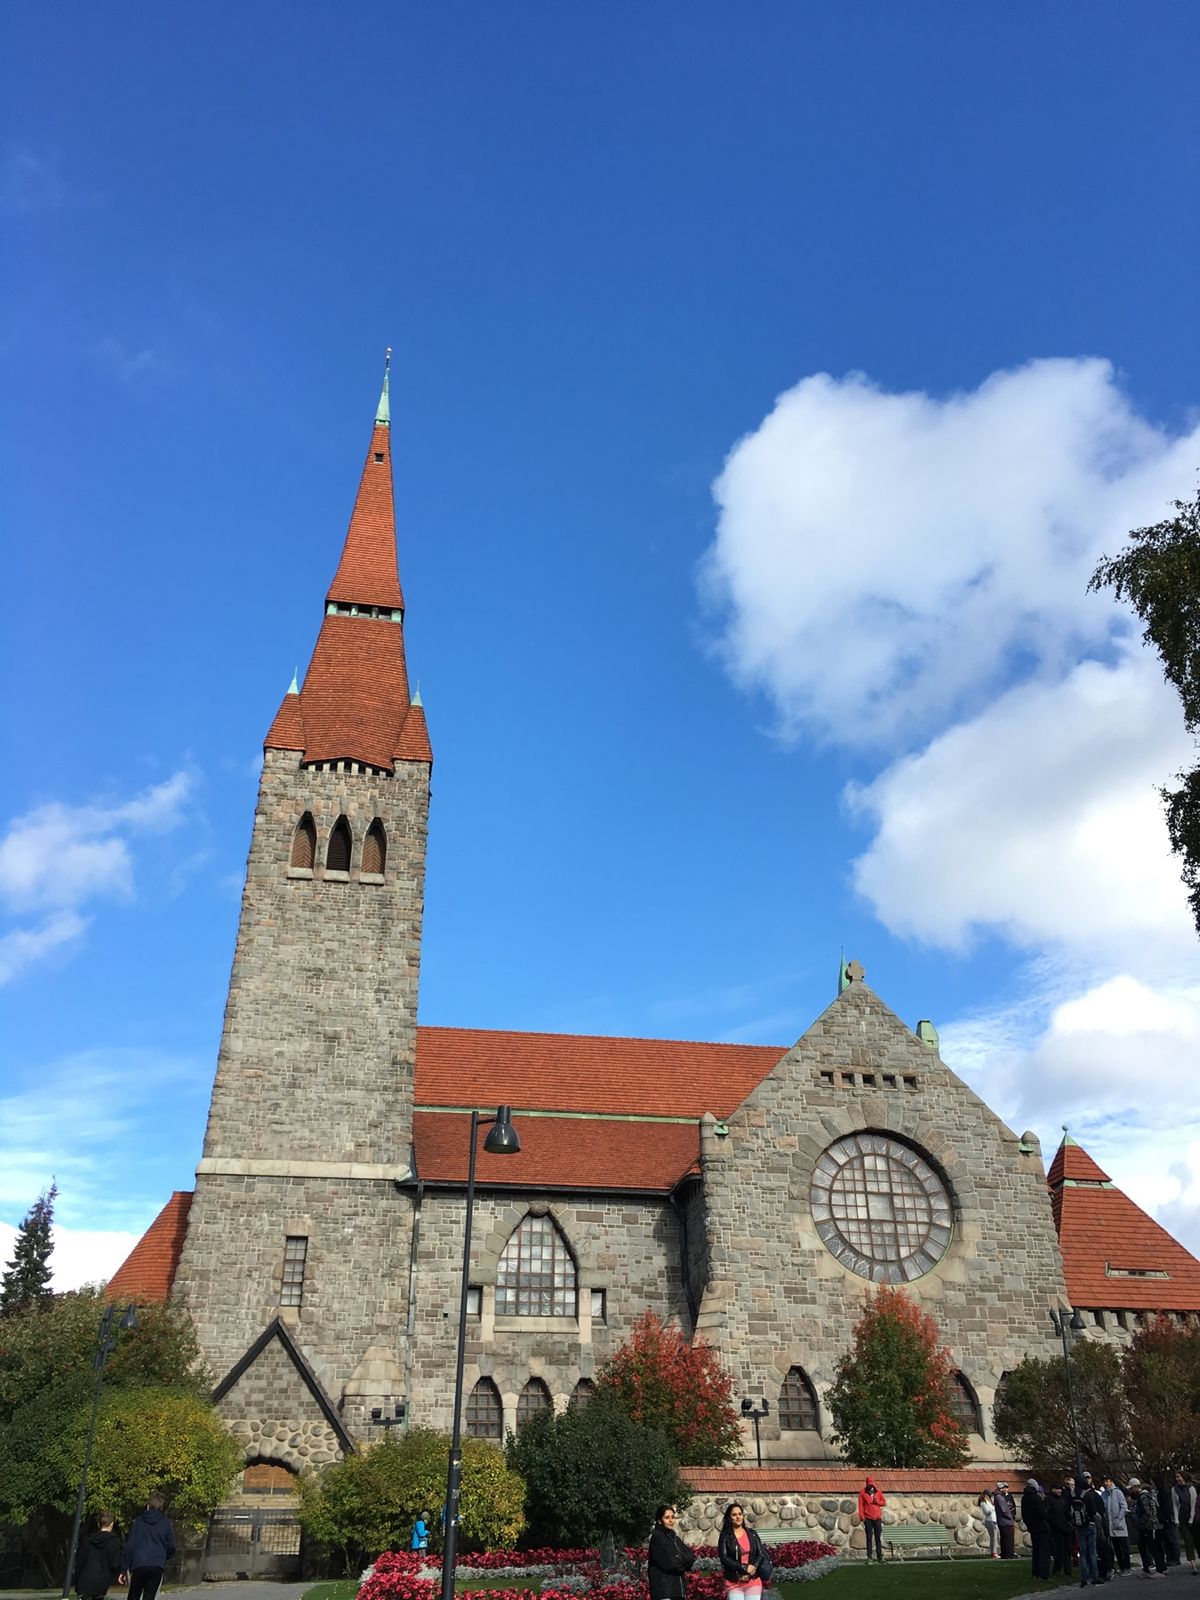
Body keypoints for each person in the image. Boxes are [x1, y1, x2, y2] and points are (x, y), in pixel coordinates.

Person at [119, 1492, 175, 1600]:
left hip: (140, 1563)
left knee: (134, 1595)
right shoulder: (165, 1523)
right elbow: (172, 1546)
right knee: (150, 1596)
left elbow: (130, 1546)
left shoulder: (139, 1522)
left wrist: (124, 1568)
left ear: (148, 1506)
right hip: (157, 1564)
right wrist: (163, 1556)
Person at [717, 1503, 771, 1599]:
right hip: (734, 1581)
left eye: (740, 1514)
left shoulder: (752, 1534)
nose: (738, 1517)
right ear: (729, 1518)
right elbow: (724, 1558)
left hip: (753, 1581)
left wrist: (750, 1573)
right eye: (734, 1515)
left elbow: (760, 1554)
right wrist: (744, 1568)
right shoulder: (725, 1536)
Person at [648, 1505, 696, 1600]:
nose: (671, 1520)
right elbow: (672, 1564)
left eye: (672, 1517)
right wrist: (683, 1563)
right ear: (659, 1520)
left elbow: (690, 1556)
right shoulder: (658, 1537)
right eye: (667, 1518)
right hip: (664, 1591)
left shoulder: (674, 1538)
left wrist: (681, 1559)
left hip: (678, 1591)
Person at [74, 1513, 123, 1600]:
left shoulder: (89, 1540)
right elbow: (115, 1563)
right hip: (101, 1583)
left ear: (98, 1524)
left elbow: (80, 1561)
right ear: (111, 1524)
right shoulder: (113, 1541)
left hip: (85, 1581)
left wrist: (76, 1581)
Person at [1128, 1478, 1167, 1578]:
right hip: (1148, 1525)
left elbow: (1147, 1513)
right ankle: (1147, 1568)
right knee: (1144, 1546)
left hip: (1147, 1526)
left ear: (1136, 1487)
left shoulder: (1143, 1497)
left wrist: (1142, 1525)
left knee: (1152, 1547)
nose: (1130, 1491)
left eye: (1131, 1488)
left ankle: (1160, 1568)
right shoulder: (1146, 1496)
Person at [1071, 1472, 1102, 1588]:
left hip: (1078, 1525)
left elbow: (1067, 1509)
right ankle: (1094, 1577)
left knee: (1083, 1553)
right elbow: (1093, 1511)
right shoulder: (1086, 1495)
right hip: (1089, 1524)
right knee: (1092, 1552)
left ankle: (1083, 1579)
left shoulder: (1072, 1494)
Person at [1022, 1478, 1051, 1580]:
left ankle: (1035, 1572)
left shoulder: (1024, 1498)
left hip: (1032, 1527)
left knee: (1036, 1551)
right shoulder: (1036, 1498)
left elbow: (1024, 1514)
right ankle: (1043, 1573)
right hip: (1041, 1527)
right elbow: (1042, 1513)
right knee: (1044, 1551)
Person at [1102, 1477, 1130, 1575]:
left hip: (1119, 1525)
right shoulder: (1104, 1494)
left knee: (1124, 1548)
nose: (1105, 1483)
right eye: (1104, 1481)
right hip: (1110, 1526)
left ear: (1111, 1482)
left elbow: (1124, 1506)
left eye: (1107, 1481)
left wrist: (1118, 1518)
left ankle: (1127, 1567)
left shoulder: (1117, 1492)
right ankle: (1122, 1567)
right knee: (1117, 1549)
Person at [1048, 1480, 1074, 1576]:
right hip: (1056, 1529)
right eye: (1057, 1489)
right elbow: (1048, 1515)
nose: (1059, 1491)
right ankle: (1057, 1569)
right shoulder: (1049, 1500)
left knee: (1067, 1551)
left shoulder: (1062, 1500)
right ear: (1053, 1490)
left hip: (1066, 1528)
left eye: (1060, 1489)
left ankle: (1068, 1570)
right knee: (1059, 1551)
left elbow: (1067, 1513)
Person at [858, 1478, 886, 1565]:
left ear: (873, 1483)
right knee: (869, 1538)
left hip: (877, 1518)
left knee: (878, 1538)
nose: (870, 1485)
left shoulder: (878, 1492)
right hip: (868, 1518)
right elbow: (860, 1505)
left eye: (871, 1483)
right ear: (866, 1483)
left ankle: (880, 1557)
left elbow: (884, 1502)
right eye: (868, 1483)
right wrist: (862, 1516)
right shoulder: (862, 1492)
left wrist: (878, 1502)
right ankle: (869, 1557)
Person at [1175, 1473, 1197, 1572]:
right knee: (1188, 1541)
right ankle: (1193, 1565)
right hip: (1182, 1518)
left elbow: (1193, 1505)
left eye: (1179, 1477)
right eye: (1176, 1477)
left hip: (1193, 1517)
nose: (1177, 1479)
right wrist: (1176, 1519)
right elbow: (1175, 1505)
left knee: (1197, 1540)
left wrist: (1191, 1519)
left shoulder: (1191, 1488)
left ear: (1184, 1477)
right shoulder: (1174, 1489)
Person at [996, 1483, 1017, 1559]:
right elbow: (1004, 1510)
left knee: (1005, 1538)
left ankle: (1005, 1554)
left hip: (1003, 1521)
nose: (1004, 1489)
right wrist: (1010, 1517)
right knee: (1008, 1538)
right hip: (1005, 1521)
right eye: (1002, 1488)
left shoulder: (999, 1497)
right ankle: (1008, 1554)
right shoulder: (999, 1497)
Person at [979, 1491, 999, 1558]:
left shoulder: (990, 1502)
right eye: (988, 1496)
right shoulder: (983, 1503)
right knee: (993, 1537)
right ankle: (994, 1552)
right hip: (989, 1521)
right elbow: (987, 1512)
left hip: (994, 1520)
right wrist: (993, 1508)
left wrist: (993, 1505)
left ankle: (993, 1552)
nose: (989, 1497)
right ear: (985, 1495)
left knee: (994, 1537)